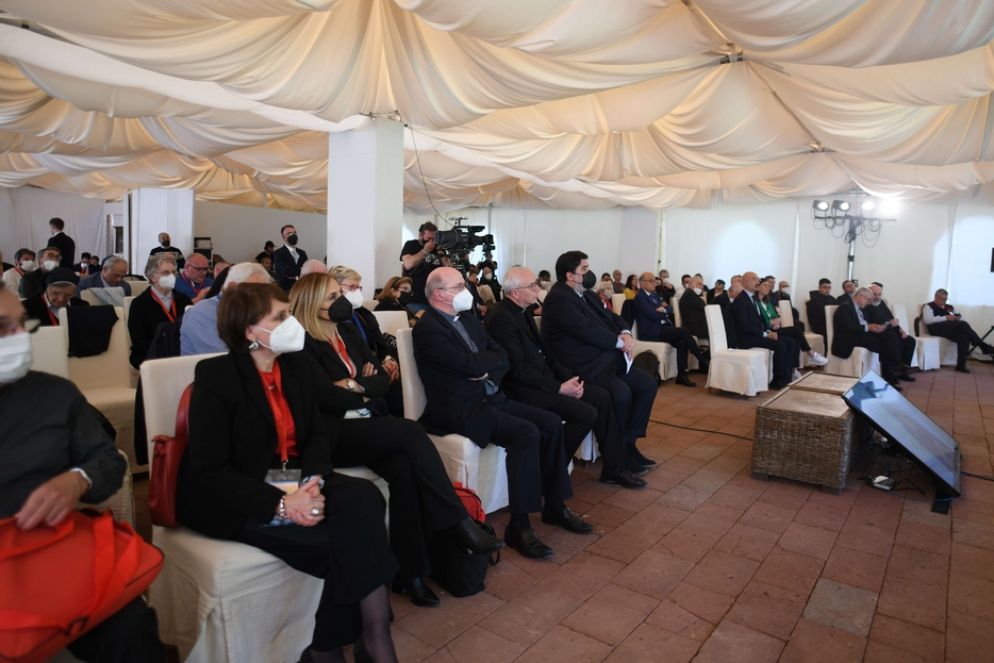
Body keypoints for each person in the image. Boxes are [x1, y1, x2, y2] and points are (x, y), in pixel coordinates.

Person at [176, 283, 398, 662]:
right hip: (237, 493)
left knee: (367, 497)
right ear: (250, 330)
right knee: (346, 544)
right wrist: (283, 505)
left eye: (290, 313)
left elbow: (316, 434)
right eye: (280, 317)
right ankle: (354, 643)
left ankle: (345, 643)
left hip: (291, 476)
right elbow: (211, 470)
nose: (292, 323)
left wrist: (312, 482)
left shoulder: (296, 365)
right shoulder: (216, 375)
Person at [289, 273, 501, 607]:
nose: (340, 301)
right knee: (410, 431)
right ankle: (458, 522)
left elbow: (380, 380)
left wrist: (351, 385)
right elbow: (324, 399)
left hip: (366, 421)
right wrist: (359, 385)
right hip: (332, 433)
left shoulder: (347, 331)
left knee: (404, 470)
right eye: (331, 297)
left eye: (338, 293)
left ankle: (410, 573)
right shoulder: (302, 343)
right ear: (310, 304)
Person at [0, 282, 166, 663]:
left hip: (51, 550)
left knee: (130, 626)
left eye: (22, 324)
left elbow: (107, 460)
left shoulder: (55, 395)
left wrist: (78, 479)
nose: (18, 337)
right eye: (2, 327)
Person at [414, 267, 587, 559]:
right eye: (459, 286)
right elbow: (470, 366)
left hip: (491, 397)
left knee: (550, 423)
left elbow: (500, 356)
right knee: (526, 433)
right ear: (440, 294)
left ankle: (555, 505)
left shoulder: (468, 318)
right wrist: (481, 365)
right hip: (461, 408)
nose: (466, 291)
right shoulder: (427, 329)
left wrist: (483, 368)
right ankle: (519, 526)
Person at [486, 267, 645, 489]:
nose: (538, 289)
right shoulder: (501, 319)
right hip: (522, 388)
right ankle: (553, 469)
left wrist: (570, 380)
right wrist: (559, 388)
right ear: (514, 293)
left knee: (601, 397)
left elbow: (545, 354)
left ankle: (613, 467)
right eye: (532, 286)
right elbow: (517, 371)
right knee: (587, 413)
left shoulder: (523, 311)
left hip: (542, 379)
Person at [542, 252, 658, 472]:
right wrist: (619, 343)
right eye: (584, 269)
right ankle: (617, 454)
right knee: (621, 392)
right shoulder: (559, 298)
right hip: (581, 366)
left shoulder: (586, 294)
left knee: (647, 384)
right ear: (570, 275)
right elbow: (586, 330)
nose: (589, 273)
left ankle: (628, 443)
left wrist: (626, 333)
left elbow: (612, 317)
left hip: (603, 361)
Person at [180, 262, 272, 355]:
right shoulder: (202, 313)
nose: (262, 298)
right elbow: (222, 357)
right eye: (256, 291)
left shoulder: (249, 310)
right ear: (232, 287)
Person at [633, 272, 706, 387]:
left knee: (682, 341)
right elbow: (653, 314)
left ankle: (681, 375)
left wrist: (662, 310)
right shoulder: (640, 298)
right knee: (683, 331)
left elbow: (670, 308)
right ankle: (702, 360)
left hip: (663, 328)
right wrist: (663, 310)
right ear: (642, 283)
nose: (654, 283)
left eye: (654, 280)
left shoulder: (654, 295)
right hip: (651, 332)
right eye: (651, 281)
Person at [731, 272, 794, 389]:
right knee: (780, 345)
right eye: (754, 279)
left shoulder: (752, 298)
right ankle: (777, 380)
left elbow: (758, 322)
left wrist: (768, 332)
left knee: (790, 342)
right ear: (745, 282)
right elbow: (745, 326)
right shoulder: (740, 301)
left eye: (757, 279)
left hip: (756, 335)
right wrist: (765, 334)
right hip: (747, 338)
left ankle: (787, 376)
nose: (757, 282)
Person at [832, 287, 905, 387]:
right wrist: (869, 327)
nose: (869, 302)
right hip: (848, 339)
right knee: (884, 344)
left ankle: (891, 371)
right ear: (859, 296)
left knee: (887, 335)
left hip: (859, 334)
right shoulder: (845, 307)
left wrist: (872, 326)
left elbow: (862, 323)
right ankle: (893, 368)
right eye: (868, 300)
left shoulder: (857, 307)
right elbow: (849, 327)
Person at [128, 255, 191, 368]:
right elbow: (139, 341)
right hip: (151, 355)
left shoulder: (184, 300)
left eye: (174, 272)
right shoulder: (139, 304)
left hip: (181, 353)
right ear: (152, 277)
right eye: (166, 272)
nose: (171, 276)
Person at [922, 288, 994, 372]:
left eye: (945, 299)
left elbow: (954, 317)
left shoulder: (948, 307)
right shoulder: (928, 306)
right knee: (963, 324)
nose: (943, 301)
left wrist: (957, 317)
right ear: (935, 297)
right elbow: (927, 320)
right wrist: (945, 317)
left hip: (948, 329)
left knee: (964, 338)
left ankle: (960, 365)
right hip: (936, 329)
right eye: (941, 299)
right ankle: (983, 346)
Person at [864, 282, 916, 380]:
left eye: (879, 294)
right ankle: (891, 374)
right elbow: (871, 324)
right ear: (868, 294)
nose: (877, 297)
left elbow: (891, 317)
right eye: (874, 294)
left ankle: (902, 370)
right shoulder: (865, 305)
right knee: (893, 342)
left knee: (910, 341)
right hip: (878, 333)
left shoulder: (881, 303)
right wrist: (888, 324)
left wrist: (901, 330)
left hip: (890, 330)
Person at [400, 222, 444, 310]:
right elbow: (408, 264)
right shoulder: (411, 245)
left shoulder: (437, 249)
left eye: (433, 239)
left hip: (435, 299)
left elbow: (446, 269)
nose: (431, 242)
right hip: (415, 298)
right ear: (420, 235)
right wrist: (425, 250)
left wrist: (442, 253)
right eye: (428, 239)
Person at [23, 268, 89, 326]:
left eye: (68, 295)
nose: (61, 299)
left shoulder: (82, 307)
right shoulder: (26, 308)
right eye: (55, 293)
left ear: (74, 293)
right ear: (46, 289)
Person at [272, 224, 309, 291]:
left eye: (294, 233)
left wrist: (295, 271)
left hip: (301, 288)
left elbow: (307, 270)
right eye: (289, 233)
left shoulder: (302, 253)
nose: (293, 235)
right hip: (285, 289)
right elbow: (285, 271)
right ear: (284, 237)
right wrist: (300, 270)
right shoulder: (278, 253)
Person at [806, 278, 838, 345]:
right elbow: (814, 317)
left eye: (829, 287)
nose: (827, 290)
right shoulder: (814, 299)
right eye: (825, 287)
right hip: (819, 326)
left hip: (830, 324)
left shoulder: (832, 298)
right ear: (819, 287)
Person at [678, 275, 709, 340]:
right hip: (694, 328)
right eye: (700, 284)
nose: (702, 286)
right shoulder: (690, 295)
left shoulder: (690, 294)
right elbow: (705, 308)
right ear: (693, 284)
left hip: (696, 325)